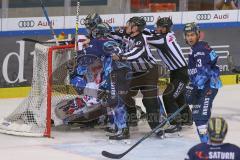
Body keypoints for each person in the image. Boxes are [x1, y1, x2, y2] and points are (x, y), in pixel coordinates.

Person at [111, 16, 163, 139]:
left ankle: (157, 127)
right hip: (134, 73)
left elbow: (136, 53)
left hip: (148, 73)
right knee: (125, 96)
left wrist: (121, 56)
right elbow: (111, 34)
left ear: (136, 28)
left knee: (150, 101)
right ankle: (131, 119)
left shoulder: (140, 39)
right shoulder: (127, 34)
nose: (127, 26)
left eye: (130, 24)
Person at [144, 17, 192, 133]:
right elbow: (151, 32)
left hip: (181, 73)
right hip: (177, 72)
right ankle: (187, 119)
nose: (156, 28)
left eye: (159, 27)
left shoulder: (163, 39)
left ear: (164, 28)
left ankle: (176, 123)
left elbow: (145, 38)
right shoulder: (167, 35)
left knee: (168, 96)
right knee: (178, 96)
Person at [183, 22, 222, 143]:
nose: (190, 37)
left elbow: (203, 72)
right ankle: (207, 143)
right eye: (187, 35)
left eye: (192, 35)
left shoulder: (199, 50)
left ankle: (207, 146)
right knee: (198, 115)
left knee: (200, 117)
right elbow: (213, 59)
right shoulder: (199, 47)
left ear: (198, 34)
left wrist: (194, 86)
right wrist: (193, 85)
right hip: (204, 85)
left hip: (208, 86)